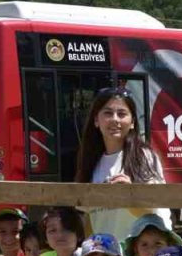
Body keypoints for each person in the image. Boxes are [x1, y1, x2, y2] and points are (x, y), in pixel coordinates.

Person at [73, 85, 171, 242]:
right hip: (107, 255)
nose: (115, 119)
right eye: (108, 113)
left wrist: (130, 193)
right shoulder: (90, 161)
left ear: (132, 122)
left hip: (140, 254)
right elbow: (88, 216)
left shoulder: (143, 156)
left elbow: (154, 207)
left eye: (122, 113)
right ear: (96, 120)